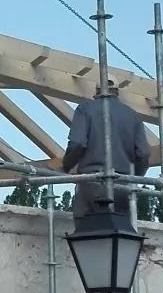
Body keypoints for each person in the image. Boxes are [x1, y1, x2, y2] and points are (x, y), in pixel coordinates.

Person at [61, 85, 150, 221]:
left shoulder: (85, 110)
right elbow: (143, 153)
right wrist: (134, 177)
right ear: (117, 92)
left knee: (86, 233)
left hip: (92, 182)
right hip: (123, 185)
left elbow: (77, 144)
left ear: (96, 91)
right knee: (121, 232)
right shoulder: (133, 115)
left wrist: (66, 165)